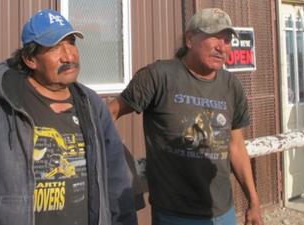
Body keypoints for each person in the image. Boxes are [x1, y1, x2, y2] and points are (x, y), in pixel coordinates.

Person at [0, 9, 137, 225]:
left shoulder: (91, 105)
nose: (69, 55)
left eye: (71, 43)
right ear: (30, 59)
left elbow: (117, 181)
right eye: (55, 47)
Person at [108, 8, 263, 225]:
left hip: (223, 212)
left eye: (227, 40)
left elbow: (236, 147)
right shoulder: (158, 76)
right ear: (190, 39)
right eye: (214, 37)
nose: (222, 47)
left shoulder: (232, 86)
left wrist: (254, 202)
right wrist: (112, 155)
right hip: (174, 215)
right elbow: (110, 113)